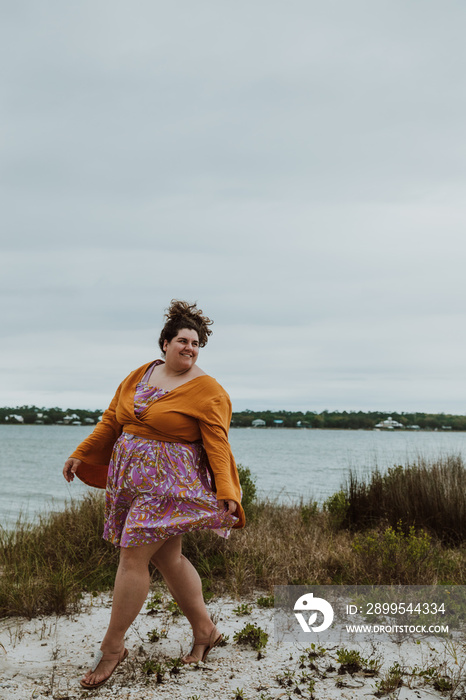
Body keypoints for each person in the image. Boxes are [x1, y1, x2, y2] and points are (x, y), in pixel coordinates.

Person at [63, 300, 245, 690]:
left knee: (133, 557)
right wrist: (81, 453)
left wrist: (227, 489)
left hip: (169, 486)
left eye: (196, 343)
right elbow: (111, 420)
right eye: (183, 340)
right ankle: (205, 631)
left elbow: (217, 442)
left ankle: (112, 648)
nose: (190, 348)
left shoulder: (209, 390)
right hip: (130, 481)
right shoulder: (139, 375)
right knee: (170, 558)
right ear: (165, 343)